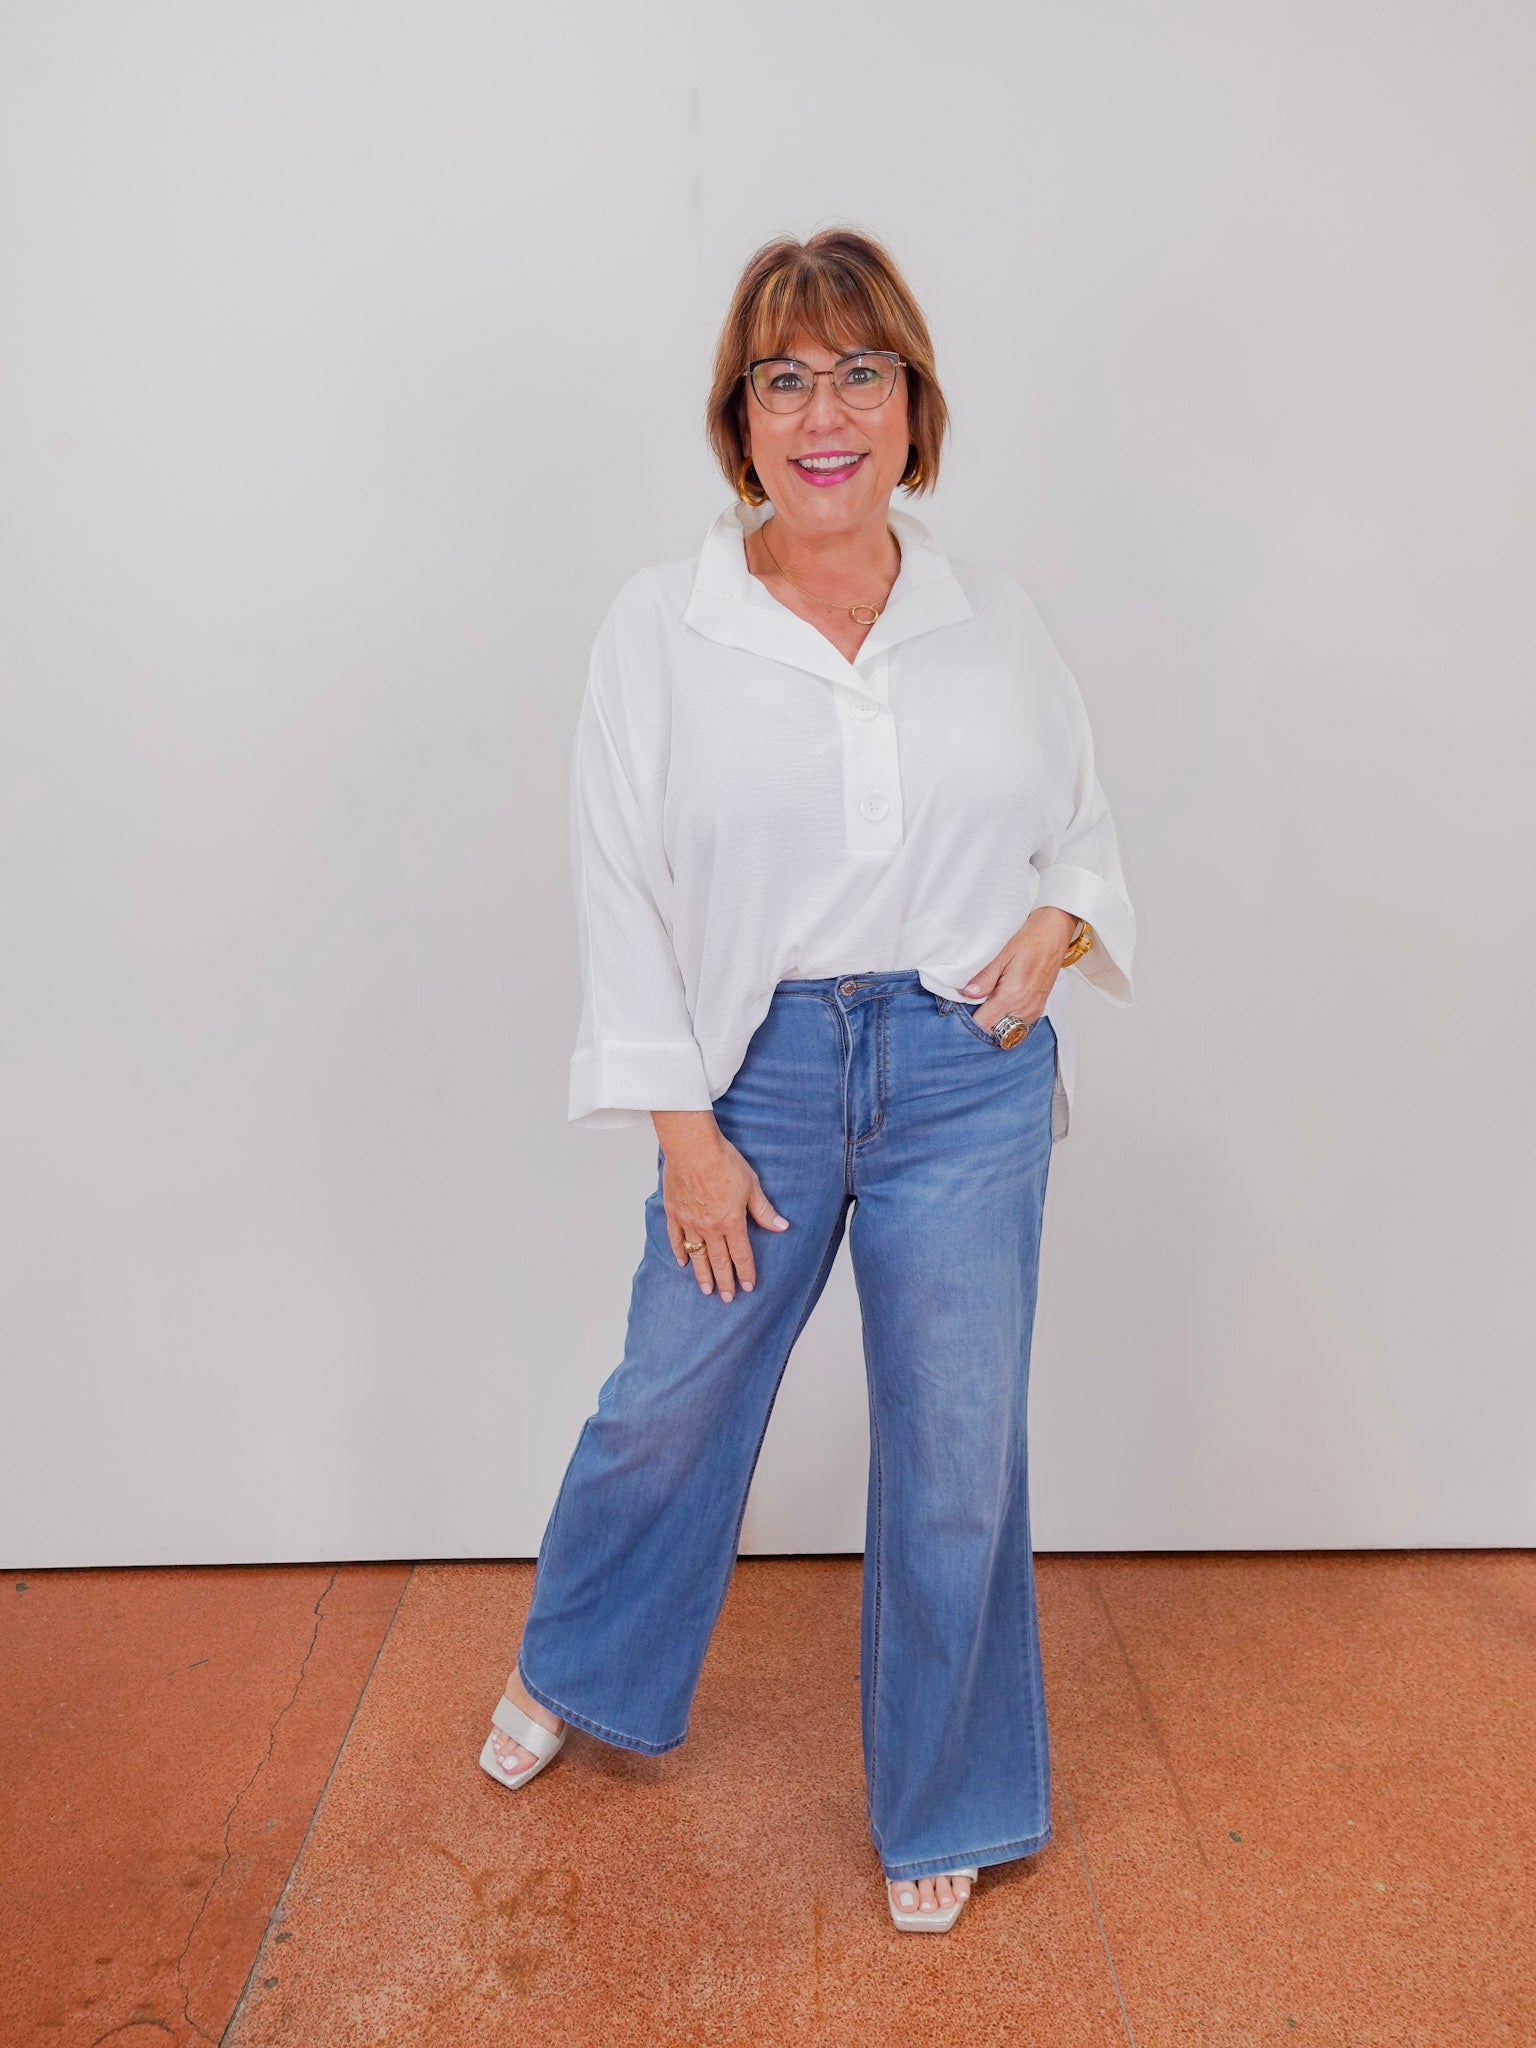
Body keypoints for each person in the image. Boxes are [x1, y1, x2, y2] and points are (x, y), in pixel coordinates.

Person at [478, 226, 1137, 1933]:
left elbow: (1079, 829)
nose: (823, 413)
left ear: (913, 408)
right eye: (783, 380)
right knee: (668, 1399)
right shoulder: (663, 625)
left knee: (957, 1449)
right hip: (754, 1075)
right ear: (740, 421)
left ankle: (949, 1797)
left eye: (859, 374)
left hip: (967, 1074)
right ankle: (575, 1657)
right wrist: (683, 1136)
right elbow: (618, 886)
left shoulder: (994, 620)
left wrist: (1061, 922)